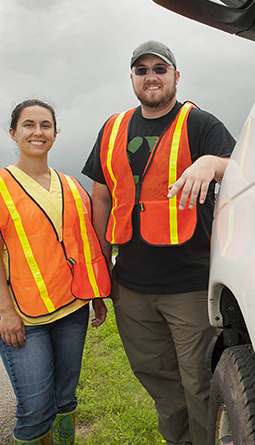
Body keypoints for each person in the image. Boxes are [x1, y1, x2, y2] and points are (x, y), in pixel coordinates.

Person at [82, 40, 236, 445]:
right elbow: (101, 197)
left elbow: (238, 167)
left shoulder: (198, 124)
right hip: (131, 287)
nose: (151, 76)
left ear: (176, 76)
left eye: (159, 69)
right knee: (160, 384)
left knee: (199, 383)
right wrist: (101, 267)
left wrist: (209, 162)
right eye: (142, 70)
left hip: (188, 286)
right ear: (132, 78)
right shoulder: (113, 129)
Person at [0, 99, 111, 445]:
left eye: (46, 125)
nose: (38, 132)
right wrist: (6, 312)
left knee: (65, 401)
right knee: (34, 409)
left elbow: (84, 248)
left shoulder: (71, 186)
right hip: (22, 317)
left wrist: (96, 297)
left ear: (55, 133)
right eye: (29, 125)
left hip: (71, 310)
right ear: (13, 133)